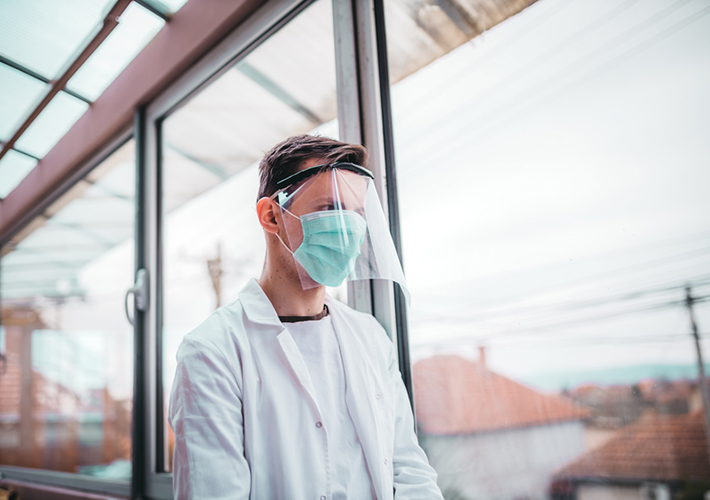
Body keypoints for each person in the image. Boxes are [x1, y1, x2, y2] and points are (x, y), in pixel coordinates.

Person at [169, 135, 443, 499]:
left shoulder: (370, 336)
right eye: (330, 209)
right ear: (271, 216)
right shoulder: (211, 352)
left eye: (357, 214)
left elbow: (410, 470)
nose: (349, 230)